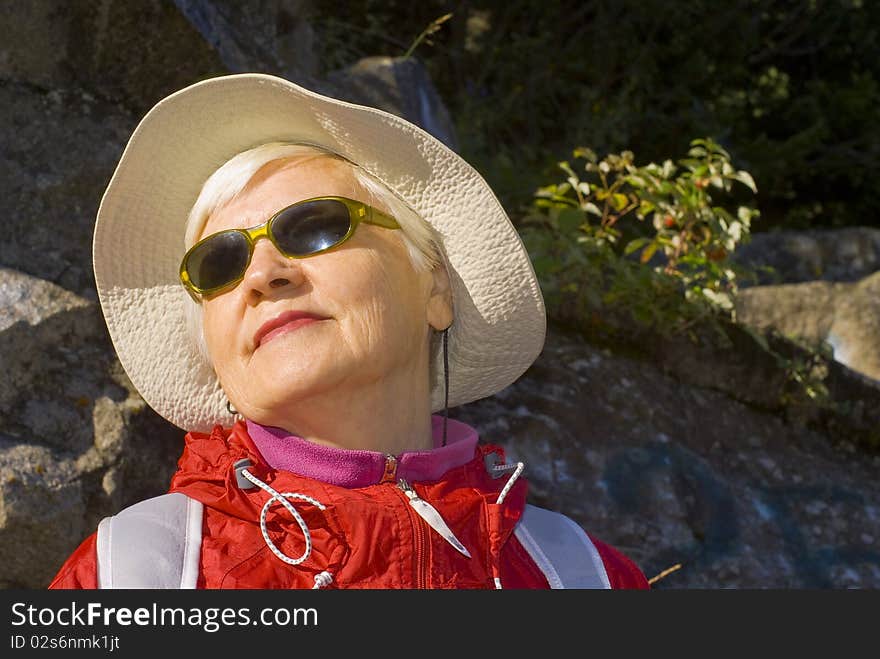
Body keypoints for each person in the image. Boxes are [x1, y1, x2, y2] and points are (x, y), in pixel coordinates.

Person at [48, 73, 648, 589]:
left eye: (313, 226)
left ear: (435, 286)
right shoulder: (128, 576)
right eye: (219, 264)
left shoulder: (587, 579)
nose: (261, 273)